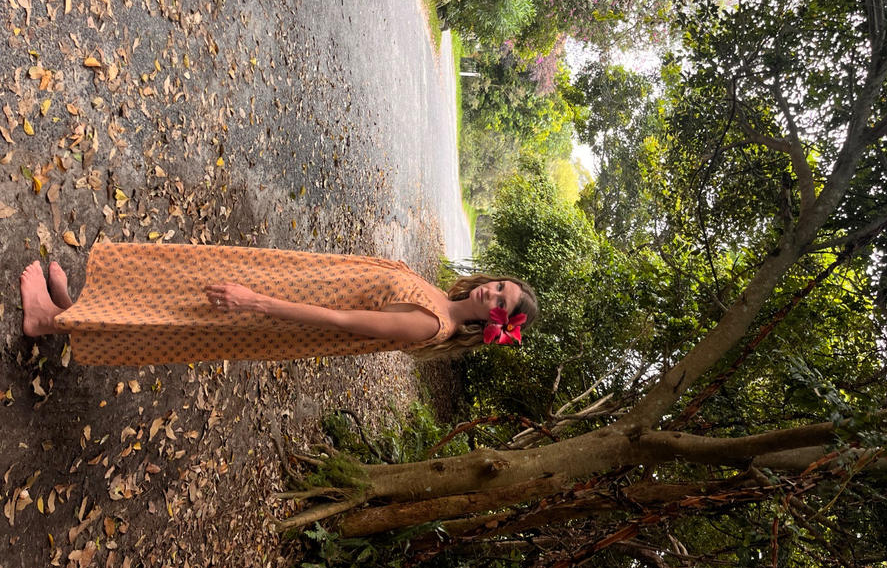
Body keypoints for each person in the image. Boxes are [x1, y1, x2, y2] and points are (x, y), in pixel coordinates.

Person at [19, 243, 538, 366]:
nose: (491, 293)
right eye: (499, 286)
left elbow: (341, 320)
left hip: (279, 305)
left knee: (183, 312)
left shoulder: (430, 324)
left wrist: (257, 302)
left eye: (501, 302)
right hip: (290, 281)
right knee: (180, 286)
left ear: (498, 324)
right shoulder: (443, 303)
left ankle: (46, 321)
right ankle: (73, 311)